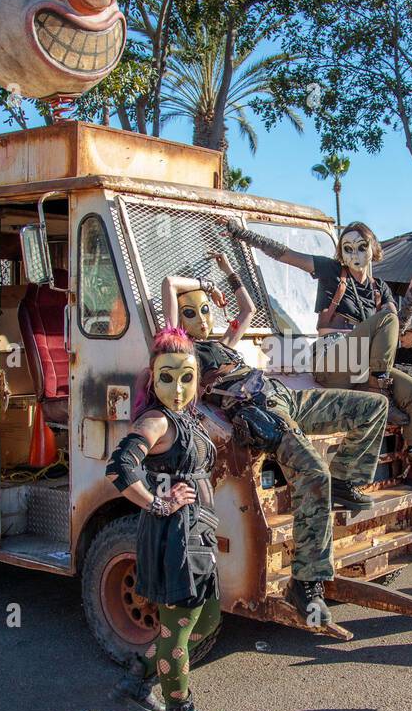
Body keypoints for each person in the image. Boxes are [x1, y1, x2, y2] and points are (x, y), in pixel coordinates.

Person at [161, 243, 388, 629]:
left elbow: (247, 309)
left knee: (372, 407)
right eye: (191, 312)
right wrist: (203, 284)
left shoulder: (223, 344)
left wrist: (227, 272)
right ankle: (307, 582)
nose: (202, 318)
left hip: (282, 394)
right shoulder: (182, 353)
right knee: (313, 474)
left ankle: (347, 478)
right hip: (261, 409)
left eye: (205, 309)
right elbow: (169, 284)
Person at [227, 220, 412, 492]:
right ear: (341, 253)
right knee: (387, 321)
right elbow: (285, 254)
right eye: (348, 248)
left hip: (363, 368)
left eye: (361, 247)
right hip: (332, 359)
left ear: (373, 249)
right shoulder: (332, 271)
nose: (355, 254)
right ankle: (381, 394)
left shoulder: (380, 288)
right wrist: (242, 233)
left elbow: (395, 332)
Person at [106, 327, 228, 711]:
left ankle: (137, 679)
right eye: (167, 378)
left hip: (197, 532)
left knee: (206, 619)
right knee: (179, 628)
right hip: (174, 536)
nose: (178, 389)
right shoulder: (157, 421)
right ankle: (180, 710)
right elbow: (120, 468)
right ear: (153, 378)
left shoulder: (186, 415)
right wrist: (158, 503)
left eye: (186, 377)